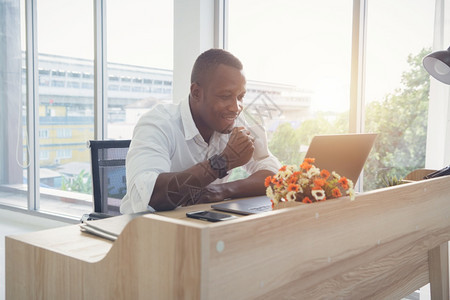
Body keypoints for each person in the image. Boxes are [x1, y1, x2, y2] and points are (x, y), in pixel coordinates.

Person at [120, 48, 281, 213]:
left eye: (240, 97)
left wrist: (222, 191)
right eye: (225, 96)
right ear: (196, 92)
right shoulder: (158, 123)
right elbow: (151, 197)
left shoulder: (233, 121)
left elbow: (275, 175)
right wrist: (223, 162)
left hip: (202, 226)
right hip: (143, 230)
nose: (236, 107)